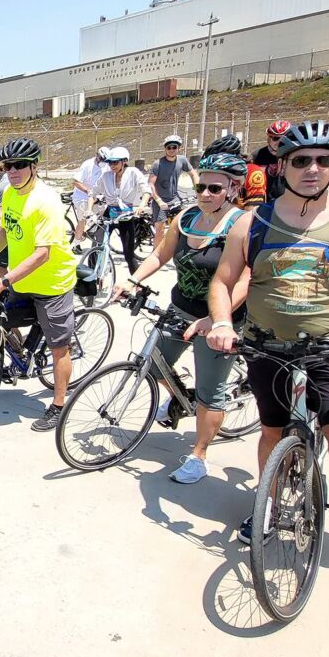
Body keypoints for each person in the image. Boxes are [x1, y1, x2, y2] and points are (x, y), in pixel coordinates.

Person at [207, 120, 329, 539]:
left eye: (324, 160)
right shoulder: (251, 223)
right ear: (282, 166)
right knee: (272, 433)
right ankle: (269, 502)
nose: (312, 168)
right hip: (266, 347)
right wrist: (222, 322)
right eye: (301, 160)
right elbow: (223, 282)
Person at [111, 151, 252, 484]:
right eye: (201, 186)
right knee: (154, 360)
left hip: (219, 319)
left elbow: (246, 280)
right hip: (180, 308)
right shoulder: (186, 217)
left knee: (211, 391)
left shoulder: (241, 224)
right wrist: (132, 279)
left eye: (214, 188)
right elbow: (161, 253)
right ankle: (179, 399)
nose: (205, 193)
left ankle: (199, 454)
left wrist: (217, 320)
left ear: (232, 189)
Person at [0, 137, 79, 432]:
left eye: (20, 166)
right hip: (22, 281)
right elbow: (6, 231)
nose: (13, 171)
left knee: (60, 348)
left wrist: (4, 280)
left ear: (34, 166)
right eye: (8, 166)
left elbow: (42, 254)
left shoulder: (45, 201)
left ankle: (58, 405)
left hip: (52, 284)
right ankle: (25, 355)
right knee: (0, 320)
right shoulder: (10, 194)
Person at [92, 146, 150, 273]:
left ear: (124, 161)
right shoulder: (106, 176)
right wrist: (87, 209)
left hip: (126, 215)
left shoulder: (133, 172)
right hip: (110, 212)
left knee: (128, 254)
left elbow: (146, 190)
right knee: (96, 245)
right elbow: (93, 193)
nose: (112, 165)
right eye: (110, 162)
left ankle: (137, 284)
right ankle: (91, 279)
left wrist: (142, 205)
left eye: (115, 162)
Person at [147, 135, 196, 244]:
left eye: (174, 147)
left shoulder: (182, 160)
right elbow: (150, 184)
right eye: (169, 147)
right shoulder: (158, 164)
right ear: (165, 149)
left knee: (185, 223)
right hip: (160, 201)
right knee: (160, 230)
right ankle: (156, 256)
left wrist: (198, 188)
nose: (172, 150)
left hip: (175, 199)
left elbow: (193, 174)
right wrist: (159, 201)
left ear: (179, 148)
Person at [71, 146, 111, 233]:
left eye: (105, 160)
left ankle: (97, 242)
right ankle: (77, 244)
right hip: (82, 197)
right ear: (97, 156)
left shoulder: (107, 166)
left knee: (103, 220)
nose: (103, 162)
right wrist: (89, 191)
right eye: (101, 159)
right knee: (82, 222)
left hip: (98, 197)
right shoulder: (87, 165)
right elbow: (76, 181)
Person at [251, 120, 290, 203]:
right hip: (263, 202)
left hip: (287, 202)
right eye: (276, 138)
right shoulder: (257, 156)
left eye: (284, 138)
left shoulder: (293, 156)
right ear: (269, 138)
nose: (279, 142)